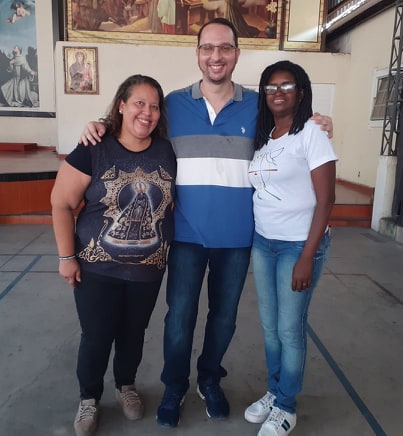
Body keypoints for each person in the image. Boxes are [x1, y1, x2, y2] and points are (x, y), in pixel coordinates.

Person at [79, 18, 333, 428]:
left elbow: (293, 125)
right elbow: (136, 123)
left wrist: (320, 120)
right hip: (185, 237)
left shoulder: (258, 106)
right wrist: (100, 124)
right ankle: (175, 385)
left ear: (237, 53)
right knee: (179, 318)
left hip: (237, 239)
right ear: (197, 53)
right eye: (208, 48)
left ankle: (210, 379)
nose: (217, 56)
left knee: (224, 318)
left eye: (225, 48)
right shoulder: (173, 105)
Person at [51, 74, 176, 436]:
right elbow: (61, 203)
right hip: (97, 269)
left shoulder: (167, 151)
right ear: (121, 105)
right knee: (96, 335)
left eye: (154, 106)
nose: (146, 112)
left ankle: (126, 385)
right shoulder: (94, 147)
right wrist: (66, 257)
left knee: (134, 333)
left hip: (148, 270)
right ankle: (89, 397)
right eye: (139, 103)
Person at [244, 60, 337, 436]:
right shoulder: (265, 137)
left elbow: (327, 199)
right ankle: (275, 390)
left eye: (286, 86)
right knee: (270, 327)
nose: (277, 93)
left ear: (301, 92)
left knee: (289, 329)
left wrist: (306, 257)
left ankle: (286, 407)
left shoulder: (312, 133)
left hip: (299, 244)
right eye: (271, 87)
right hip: (263, 242)